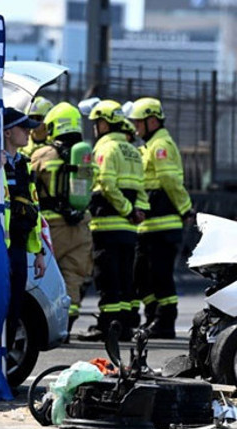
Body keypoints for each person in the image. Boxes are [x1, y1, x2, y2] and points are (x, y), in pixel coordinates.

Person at [78, 100, 148, 342]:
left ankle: (108, 327)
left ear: (105, 123)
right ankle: (125, 327)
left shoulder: (105, 148)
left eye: (97, 123)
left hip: (106, 225)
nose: (96, 128)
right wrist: (138, 211)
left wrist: (127, 209)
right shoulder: (132, 150)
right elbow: (142, 189)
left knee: (108, 279)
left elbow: (106, 184)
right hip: (129, 229)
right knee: (125, 279)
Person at [127, 97, 195, 339]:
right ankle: (154, 316)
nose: (135, 128)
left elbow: (170, 181)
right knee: (142, 275)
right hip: (148, 227)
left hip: (163, 225)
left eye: (138, 123)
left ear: (152, 120)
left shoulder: (161, 145)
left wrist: (186, 208)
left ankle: (165, 322)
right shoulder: (149, 145)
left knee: (160, 275)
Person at [30, 102, 94, 333]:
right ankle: (68, 323)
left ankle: (51, 323)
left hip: (53, 224)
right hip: (81, 226)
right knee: (74, 276)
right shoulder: (85, 155)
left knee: (48, 275)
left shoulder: (43, 154)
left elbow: (29, 183)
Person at [1, 108, 47, 349]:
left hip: (18, 248)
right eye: (23, 128)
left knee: (14, 309)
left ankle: (5, 371)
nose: (29, 132)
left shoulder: (23, 165)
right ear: (7, 132)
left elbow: (34, 208)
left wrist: (39, 252)